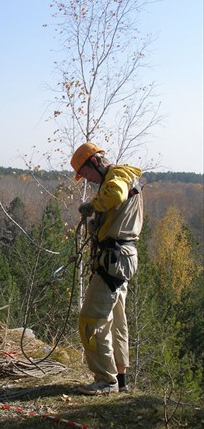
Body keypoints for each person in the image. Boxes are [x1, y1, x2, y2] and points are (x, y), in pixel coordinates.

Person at [70, 142, 143, 396]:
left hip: (115, 258)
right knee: (116, 322)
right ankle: (120, 379)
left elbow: (115, 195)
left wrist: (93, 205)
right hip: (118, 257)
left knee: (91, 319)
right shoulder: (119, 177)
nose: (87, 180)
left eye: (86, 173)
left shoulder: (118, 175)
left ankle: (105, 379)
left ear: (95, 162)